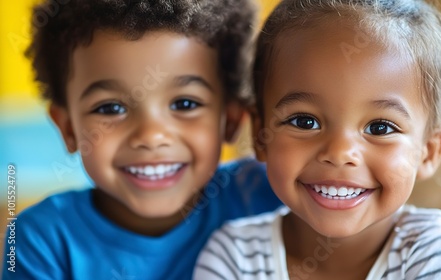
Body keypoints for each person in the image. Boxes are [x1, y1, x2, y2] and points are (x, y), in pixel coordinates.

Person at [194, 0, 441, 279]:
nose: (340, 153)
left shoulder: (435, 252)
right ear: (261, 137)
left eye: (379, 128)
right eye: (305, 122)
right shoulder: (232, 256)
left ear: (429, 151)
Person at [2, 0, 282, 279]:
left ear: (231, 119)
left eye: (185, 104)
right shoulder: (43, 239)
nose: (150, 136)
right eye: (110, 108)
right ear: (68, 129)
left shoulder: (268, 196)